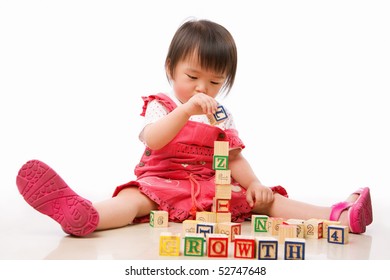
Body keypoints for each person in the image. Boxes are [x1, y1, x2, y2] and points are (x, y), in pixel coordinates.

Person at [16, 19, 373, 237]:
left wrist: (255, 184)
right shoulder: (161, 105)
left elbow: (233, 159)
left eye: (215, 82)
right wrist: (185, 111)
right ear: (170, 68)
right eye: (192, 77)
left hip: (209, 189)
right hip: (161, 184)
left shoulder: (221, 115)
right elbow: (155, 140)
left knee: (266, 203)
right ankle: (85, 216)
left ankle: (340, 214)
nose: (203, 89)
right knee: (132, 201)